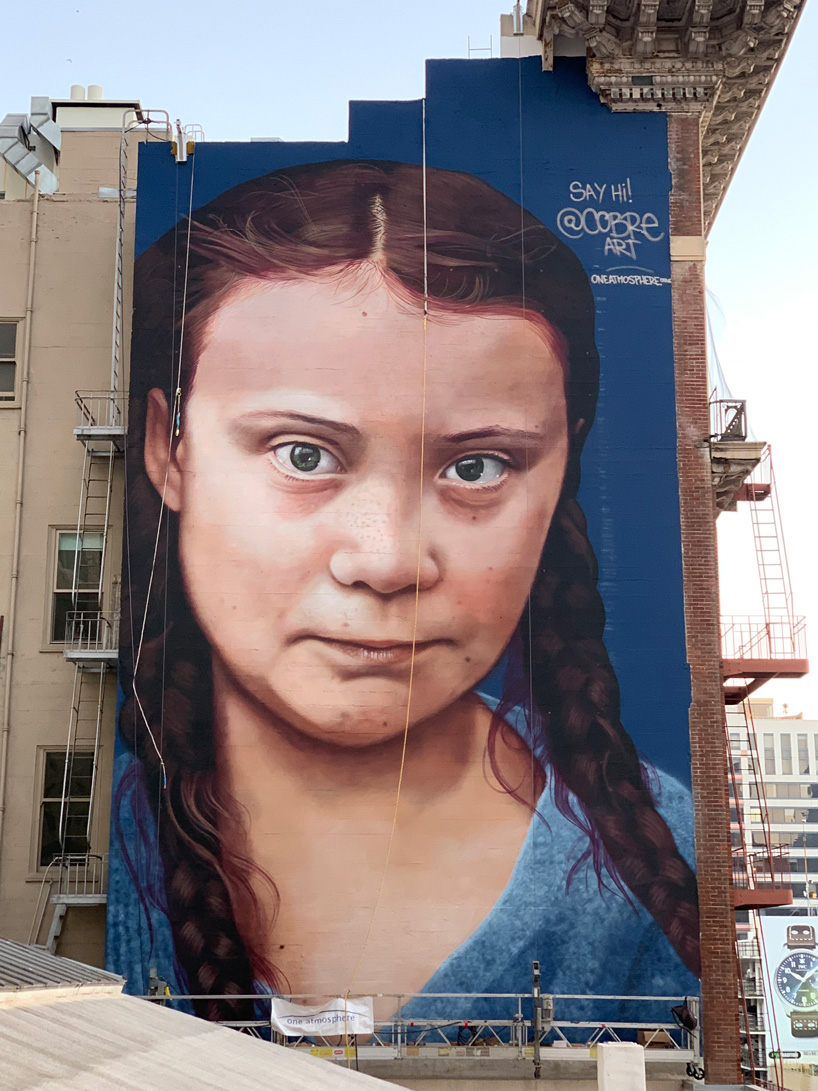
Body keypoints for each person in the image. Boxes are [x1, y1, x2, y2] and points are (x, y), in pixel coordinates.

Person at [110, 160, 700, 1025]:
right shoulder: (73, 839)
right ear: (170, 448)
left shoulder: (659, 856)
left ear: (563, 463)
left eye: (477, 467)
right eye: (302, 454)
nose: (386, 562)